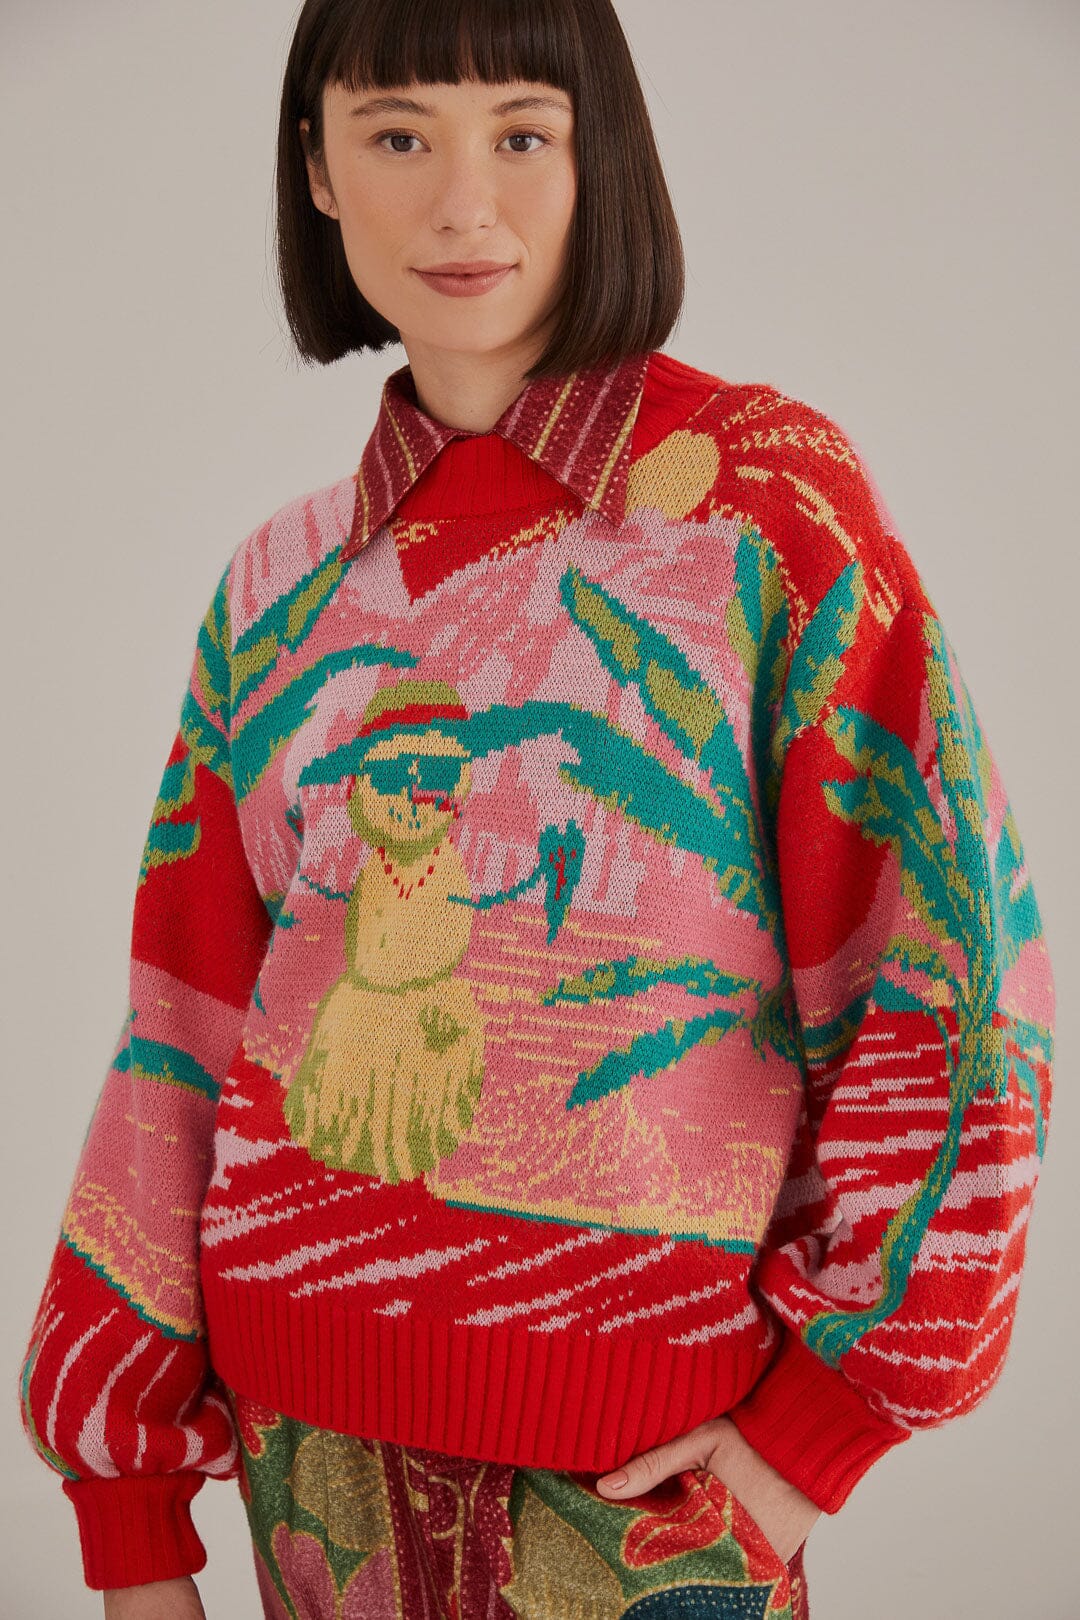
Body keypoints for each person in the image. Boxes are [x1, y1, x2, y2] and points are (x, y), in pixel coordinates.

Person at [17, 1, 1056, 1616]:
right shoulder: (279, 586)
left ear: (599, 155)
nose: (462, 202)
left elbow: (952, 973)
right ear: (317, 170)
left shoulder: (764, 514)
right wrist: (129, 1501)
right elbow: (182, 1034)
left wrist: (817, 1434)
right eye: (398, 135)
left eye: (521, 132)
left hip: (645, 1486)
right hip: (305, 1475)